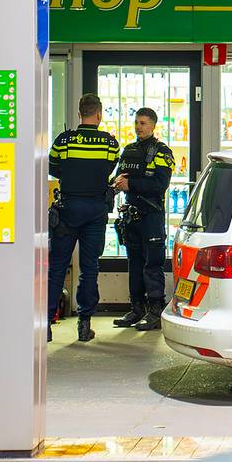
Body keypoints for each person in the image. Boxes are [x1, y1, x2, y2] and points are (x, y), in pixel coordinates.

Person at [48, 94, 119, 343]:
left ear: (79, 114)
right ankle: (84, 323)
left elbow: (53, 167)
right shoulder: (110, 143)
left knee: (57, 267)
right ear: (99, 114)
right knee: (89, 269)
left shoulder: (64, 140)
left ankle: (45, 324)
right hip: (95, 211)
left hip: (67, 209)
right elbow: (110, 168)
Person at [111, 107, 175, 331]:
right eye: (137, 122)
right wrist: (116, 184)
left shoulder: (162, 152)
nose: (139, 127)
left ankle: (155, 311)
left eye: (143, 123)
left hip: (152, 216)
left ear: (154, 125)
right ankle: (136, 309)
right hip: (131, 216)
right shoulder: (128, 150)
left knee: (152, 264)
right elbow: (118, 176)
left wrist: (132, 185)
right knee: (135, 263)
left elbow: (160, 184)